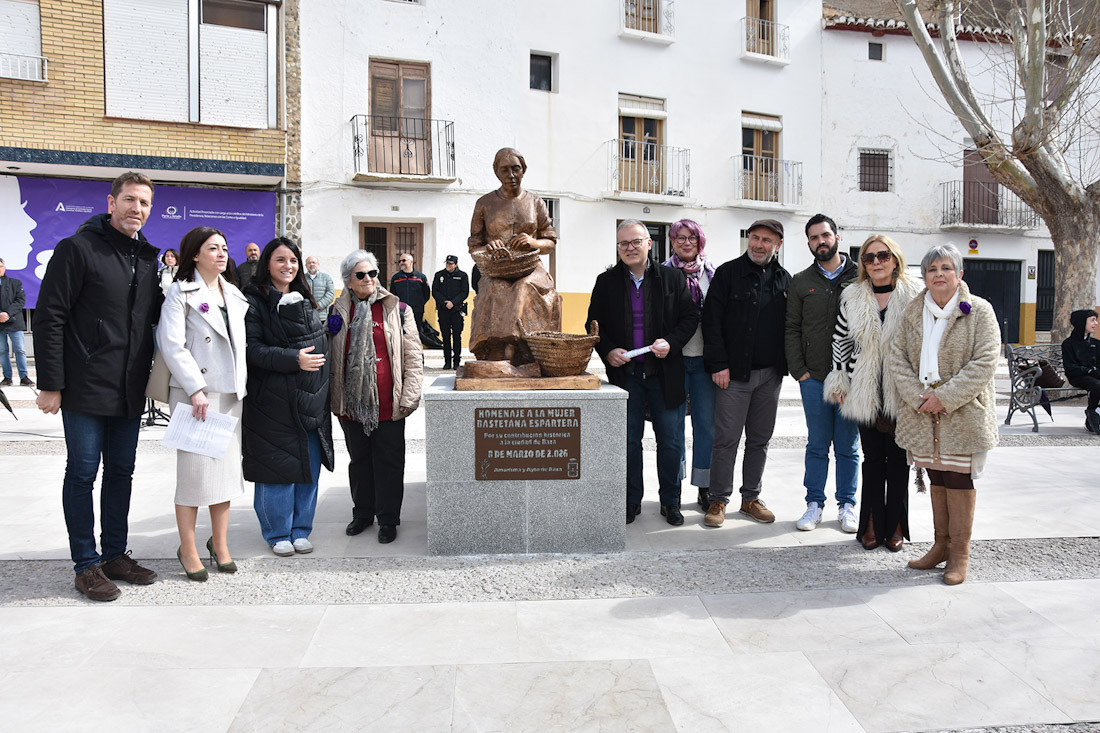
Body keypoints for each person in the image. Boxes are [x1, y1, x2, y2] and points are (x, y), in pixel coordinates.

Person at [34, 171, 162, 601]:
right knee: (83, 473)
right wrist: (51, 383)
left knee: (122, 472)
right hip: (85, 386)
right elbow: (50, 316)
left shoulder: (146, 258)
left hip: (128, 387)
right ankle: (86, 565)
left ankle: (114, 555)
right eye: (129, 200)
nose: (136, 209)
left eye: (144, 203)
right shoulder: (78, 249)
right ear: (111, 203)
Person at [890, 243, 1000, 585]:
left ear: (960, 274)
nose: (939, 274)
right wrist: (919, 397)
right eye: (932, 269)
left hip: (962, 413)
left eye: (946, 268)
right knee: (936, 475)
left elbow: (985, 362)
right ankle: (940, 545)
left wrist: (945, 397)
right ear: (924, 276)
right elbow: (897, 357)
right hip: (922, 411)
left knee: (958, 476)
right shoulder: (913, 311)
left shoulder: (979, 311)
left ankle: (959, 554)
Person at [588, 220, 698, 525]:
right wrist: (608, 350)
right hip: (627, 377)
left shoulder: (672, 278)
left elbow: (690, 318)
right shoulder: (606, 281)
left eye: (636, 241)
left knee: (671, 441)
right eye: (623, 243)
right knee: (628, 441)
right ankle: (630, 500)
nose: (629, 248)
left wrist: (672, 342)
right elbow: (593, 324)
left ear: (649, 243)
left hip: (665, 374)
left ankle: (671, 501)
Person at [157, 227, 248, 580]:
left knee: (224, 476)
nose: (222, 254)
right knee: (194, 477)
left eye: (225, 248)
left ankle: (220, 544)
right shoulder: (180, 293)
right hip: (196, 395)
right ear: (195, 254)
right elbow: (171, 344)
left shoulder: (235, 295)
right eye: (213, 248)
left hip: (228, 395)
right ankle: (188, 547)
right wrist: (195, 387)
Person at [824, 234, 921, 551]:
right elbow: (841, 340)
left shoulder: (914, 294)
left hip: (901, 388)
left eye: (883, 256)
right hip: (864, 388)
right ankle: (869, 523)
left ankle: (894, 524)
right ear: (863, 263)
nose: (876, 262)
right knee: (872, 459)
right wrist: (840, 378)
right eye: (868, 257)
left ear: (895, 259)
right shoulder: (852, 296)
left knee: (898, 460)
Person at [242, 237, 335, 557]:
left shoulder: (305, 299)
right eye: (280, 260)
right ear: (267, 263)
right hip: (271, 400)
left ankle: (300, 529)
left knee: (309, 466)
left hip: (309, 397)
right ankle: (276, 531)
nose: (288, 266)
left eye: (293, 260)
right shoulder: (253, 301)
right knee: (277, 468)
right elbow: (251, 350)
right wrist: (293, 359)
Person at [329, 250, 424, 543]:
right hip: (352, 403)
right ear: (348, 281)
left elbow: (413, 355)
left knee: (389, 461)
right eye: (361, 275)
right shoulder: (338, 311)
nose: (368, 279)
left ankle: (387, 519)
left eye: (372, 273)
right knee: (359, 461)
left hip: (389, 402)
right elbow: (332, 354)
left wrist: (410, 395)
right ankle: (362, 514)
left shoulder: (398, 309)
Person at [702, 219, 791, 528]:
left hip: (771, 376)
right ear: (748, 239)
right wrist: (718, 365)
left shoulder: (784, 279)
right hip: (734, 375)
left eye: (766, 240)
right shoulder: (727, 274)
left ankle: (750, 498)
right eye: (754, 237)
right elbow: (711, 322)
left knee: (760, 440)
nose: (758, 244)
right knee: (726, 440)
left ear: (778, 245)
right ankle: (718, 500)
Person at [786, 213, 860, 534]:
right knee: (817, 444)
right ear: (809, 244)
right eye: (814, 238)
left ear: (837, 237)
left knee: (847, 446)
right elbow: (792, 327)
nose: (821, 242)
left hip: (852, 378)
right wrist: (798, 370)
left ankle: (847, 505)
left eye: (825, 235)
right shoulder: (801, 281)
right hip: (813, 378)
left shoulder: (861, 276)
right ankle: (814, 503)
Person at [467, 147, 561, 364]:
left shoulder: (535, 202)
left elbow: (550, 242)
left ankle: (524, 350)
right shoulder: (484, 203)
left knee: (523, 288)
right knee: (495, 288)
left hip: (531, 268)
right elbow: (474, 246)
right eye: (505, 170)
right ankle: (495, 350)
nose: (511, 175)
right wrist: (489, 247)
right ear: (497, 173)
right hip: (497, 268)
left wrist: (533, 242)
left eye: (516, 169)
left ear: (523, 170)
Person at [662, 219, 716, 510]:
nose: (685, 243)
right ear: (672, 241)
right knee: (673, 428)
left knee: (706, 426)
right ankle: (675, 486)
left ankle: (705, 486)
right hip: (674, 361)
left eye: (691, 238)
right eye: (679, 238)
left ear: (699, 241)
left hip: (705, 362)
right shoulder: (661, 273)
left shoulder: (712, 274)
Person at [1061, 309, 1100, 434]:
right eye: (1092, 320)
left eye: (1096, 320)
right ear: (1082, 322)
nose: (1096, 323)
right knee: (1097, 385)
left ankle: (1094, 414)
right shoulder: (1068, 344)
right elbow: (1070, 367)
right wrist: (1088, 371)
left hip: (1095, 376)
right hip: (1078, 376)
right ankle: (1092, 411)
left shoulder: (1096, 343)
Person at [432, 254, 470, 370]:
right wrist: (444, 302)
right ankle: (447, 361)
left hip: (456, 310)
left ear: (456, 264)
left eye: (451, 263)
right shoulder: (439, 275)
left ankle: (456, 361)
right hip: (443, 311)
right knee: (446, 336)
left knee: (457, 336)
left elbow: (465, 292)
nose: (448, 265)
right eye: (447, 263)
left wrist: (453, 302)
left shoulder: (462, 276)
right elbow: (435, 291)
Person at [0, 258, 32, 386]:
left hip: (14, 321)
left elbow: (20, 301)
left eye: (0, 266)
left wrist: (7, 313)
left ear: (4, 267)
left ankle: (24, 377)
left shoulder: (15, 283)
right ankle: (7, 377)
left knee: (20, 350)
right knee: (2, 351)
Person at [389, 253, 431, 340]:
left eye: (404, 260)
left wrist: (419, 304)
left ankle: (417, 352)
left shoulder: (420, 277)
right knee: (401, 333)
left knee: (416, 332)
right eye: (399, 261)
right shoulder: (396, 278)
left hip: (417, 311)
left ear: (411, 262)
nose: (401, 263)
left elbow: (426, 294)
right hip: (401, 311)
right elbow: (393, 295)